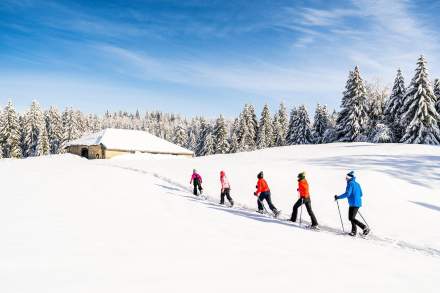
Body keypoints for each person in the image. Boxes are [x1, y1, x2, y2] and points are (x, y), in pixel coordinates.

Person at [335, 171, 370, 236]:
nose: (345, 179)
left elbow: (347, 194)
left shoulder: (350, 183)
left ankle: (364, 228)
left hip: (353, 203)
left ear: (349, 178)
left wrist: (338, 197)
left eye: (346, 177)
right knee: (351, 218)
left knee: (351, 218)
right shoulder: (357, 184)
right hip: (356, 203)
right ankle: (353, 232)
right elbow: (361, 194)